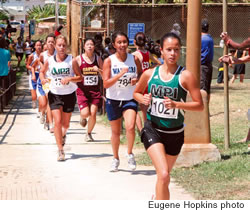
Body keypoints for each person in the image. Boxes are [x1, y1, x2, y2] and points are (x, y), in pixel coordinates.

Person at [133, 32, 204, 200]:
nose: (173, 53)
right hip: (153, 129)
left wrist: (177, 104)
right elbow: (136, 92)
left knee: (163, 177)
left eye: (176, 50)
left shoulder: (185, 76)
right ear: (161, 51)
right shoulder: (150, 74)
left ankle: (157, 198)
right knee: (164, 174)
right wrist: (142, 98)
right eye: (169, 49)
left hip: (175, 133)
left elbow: (199, 105)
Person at [102, 31, 142, 172]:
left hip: (129, 98)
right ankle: (115, 158)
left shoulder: (134, 59)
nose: (122, 45)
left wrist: (137, 80)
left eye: (124, 42)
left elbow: (141, 74)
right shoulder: (109, 61)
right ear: (114, 44)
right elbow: (106, 83)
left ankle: (130, 154)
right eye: (119, 42)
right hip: (113, 99)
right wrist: (120, 74)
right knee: (116, 132)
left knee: (130, 127)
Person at [40, 35, 82, 161]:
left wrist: (70, 78)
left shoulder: (72, 60)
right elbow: (42, 71)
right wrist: (42, 79)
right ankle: (60, 150)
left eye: (64, 45)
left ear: (67, 46)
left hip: (69, 94)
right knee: (57, 122)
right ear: (55, 46)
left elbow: (80, 77)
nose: (62, 47)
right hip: (55, 93)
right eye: (59, 45)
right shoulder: (50, 60)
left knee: (66, 124)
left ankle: (63, 136)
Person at [132, 32, 161, 132]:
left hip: (139, 81)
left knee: (140, 106)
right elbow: (159, 63)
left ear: (134, 42)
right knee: (146, 105)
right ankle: (148, 126)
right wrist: (150, 69)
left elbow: (134, 69)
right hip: (148, 80)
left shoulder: (135, 55)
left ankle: (146, 128)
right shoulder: (147, 53)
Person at [76, 38, 103, 142]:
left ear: (94, 47)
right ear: (84, 47)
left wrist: (99, 70)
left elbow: (105, 74)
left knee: (93, 113)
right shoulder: (79, 59)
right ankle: (82, 117)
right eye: (87, 44)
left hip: (94, 91)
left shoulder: (98, 59)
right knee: (85, 113)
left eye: (92, 44)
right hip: (82, 90)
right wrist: (79, 75)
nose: (90, 46)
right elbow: (74, 73)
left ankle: (88, 133)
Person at [39, 33, 57, 133]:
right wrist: (42, 72)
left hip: (56, 80)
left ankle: (47, 119)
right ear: (46, 43)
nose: (50, 43)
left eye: (52, 42)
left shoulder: (58, 53)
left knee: (52, 103)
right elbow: (40, 63)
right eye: (49, 41)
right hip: (47, 80)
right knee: (50, 101)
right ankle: (51, 124)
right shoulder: (43, 55)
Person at [26, 40, 43, 115]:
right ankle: (34, 101)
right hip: (33, 75)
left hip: (41, 75)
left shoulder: (43, 55)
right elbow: (27, 65)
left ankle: (40, 109)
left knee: (40, 93)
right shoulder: (32, 56)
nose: (39, 47)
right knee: (34, 95)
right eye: (37, 45)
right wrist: (33, 68)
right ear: (35, 47)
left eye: (40, 45)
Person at [200, 19, 214, 104]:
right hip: (208, 66)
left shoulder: (202, 39)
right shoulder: (209, 37)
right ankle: (206, 109)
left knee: (202, 89)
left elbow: (202, 56)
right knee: (207, 89)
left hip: (202, 66)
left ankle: (203, 111)